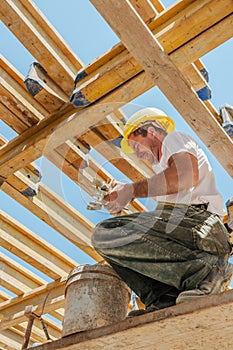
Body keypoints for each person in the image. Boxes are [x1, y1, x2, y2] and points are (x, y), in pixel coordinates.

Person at [91, 107, 233, 316]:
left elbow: (185, 176)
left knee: (106, 233)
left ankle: (206, 273)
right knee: (116, 243)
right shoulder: (163, 170)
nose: (137, 154)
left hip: (203, 226)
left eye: (136, 145)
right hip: (194, 233)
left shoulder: (173, 140)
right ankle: (164, 299)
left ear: (151, 130)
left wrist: (131, 190)